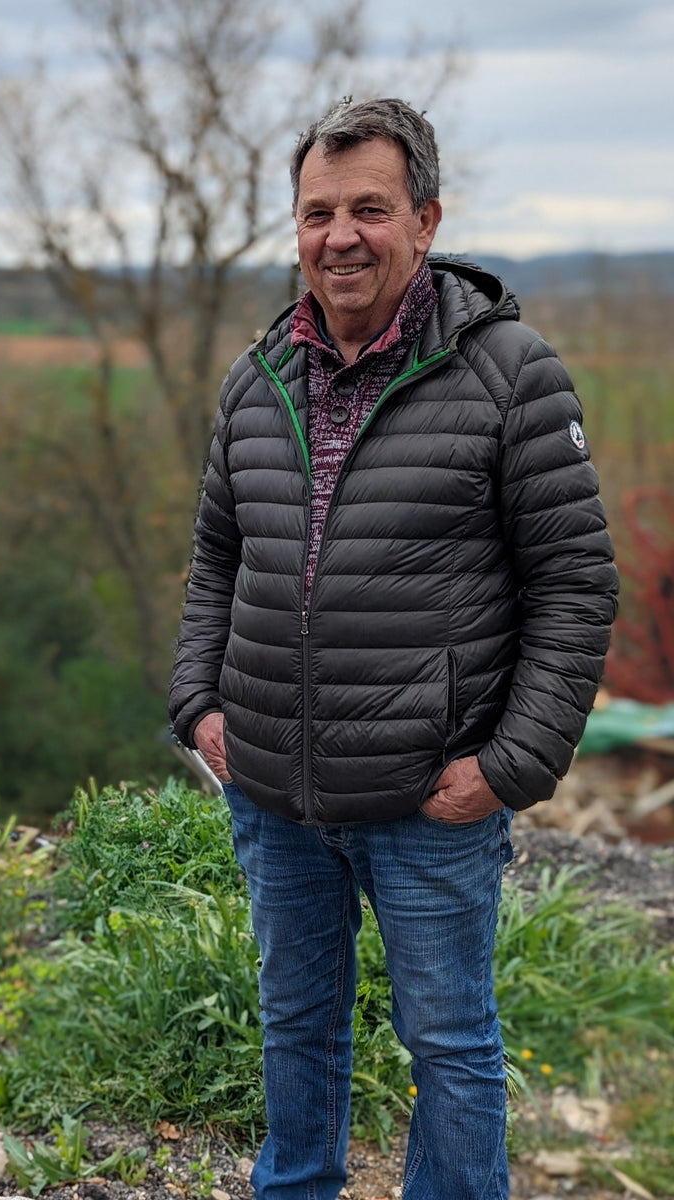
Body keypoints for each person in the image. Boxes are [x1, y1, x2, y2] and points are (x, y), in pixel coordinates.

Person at [168, 98, 617, 1200]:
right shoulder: (257, 374)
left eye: (369, 207)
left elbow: (575, 585)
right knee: (295, 1028)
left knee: (451, 1047)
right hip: (274, 794)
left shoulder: (511, 373)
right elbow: (216, 558)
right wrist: (198, 701)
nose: (341, 235)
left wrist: (510, 768)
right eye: (318, 212)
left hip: (431, 797)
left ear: (424, 219)